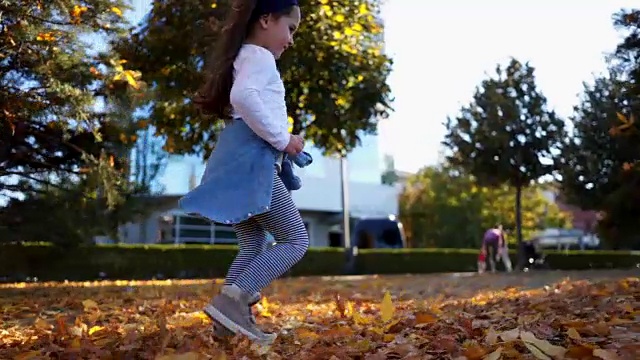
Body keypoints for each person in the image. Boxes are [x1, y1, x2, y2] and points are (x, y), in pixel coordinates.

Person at [178, 0, 306, 344]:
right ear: (266, 20)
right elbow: (245, 97)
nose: (291, 40)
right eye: (290, 28)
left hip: (233, 161)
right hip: (252, 163)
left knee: (252, 245)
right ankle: (233, 301)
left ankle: (226, 323)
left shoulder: (245, 57)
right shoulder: (260, 58)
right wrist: (285, 139)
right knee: (295, 239)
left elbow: (243, 99)